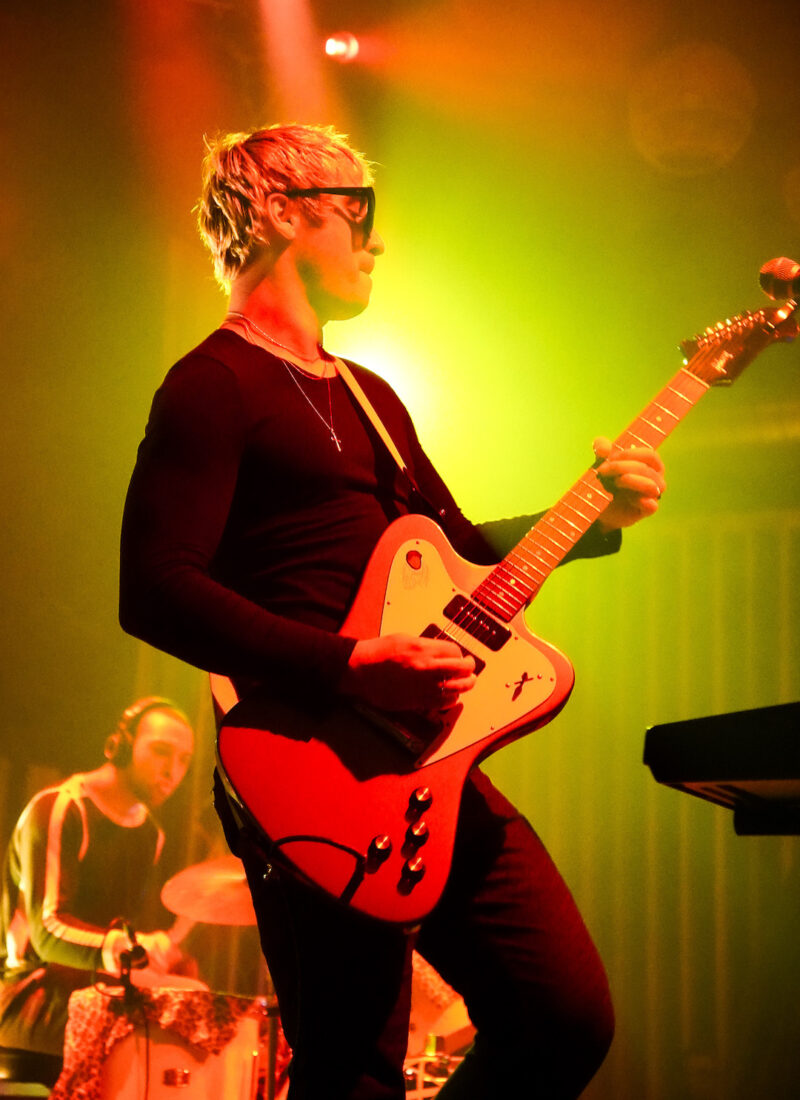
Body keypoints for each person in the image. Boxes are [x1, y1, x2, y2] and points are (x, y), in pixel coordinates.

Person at [118, 124, 666, 1099]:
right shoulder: (212, 383)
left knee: (563, 1016)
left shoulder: (370, 395)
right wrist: (350, 663)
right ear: (279, 210)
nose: (376, 240)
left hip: (422, 763)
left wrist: (593, 513)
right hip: (304, 765)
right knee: (354, 1071)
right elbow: (154, 586)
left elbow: (459, 549)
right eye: (358, 210)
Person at [0, 696, 195, 1069]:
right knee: (150, 1034)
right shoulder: (60, 808)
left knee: (191, 1003)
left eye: (184, 760)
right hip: (30, 995)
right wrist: (128, 948)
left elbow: (121, 930)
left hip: (96, 990)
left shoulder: (150, 834)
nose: (172, 771)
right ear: (122, 746)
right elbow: (47, 930)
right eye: (160, 752)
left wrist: (160, 956)